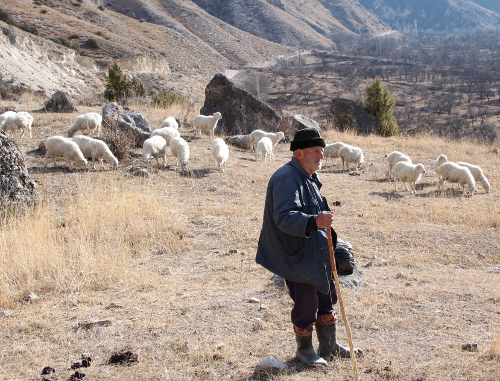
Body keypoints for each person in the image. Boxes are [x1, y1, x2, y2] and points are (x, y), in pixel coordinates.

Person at [255, 128, 360, 366]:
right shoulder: (286, 177)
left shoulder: (308, 176)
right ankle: (304, 351)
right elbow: (284, 216)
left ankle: (329, 346)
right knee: (307, 304)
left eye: (322, 152)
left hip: (315, 250)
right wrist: (315, 221)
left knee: (327, 296)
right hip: (296, 255)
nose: (321, 156)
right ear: (299, 153)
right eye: (316, 151)